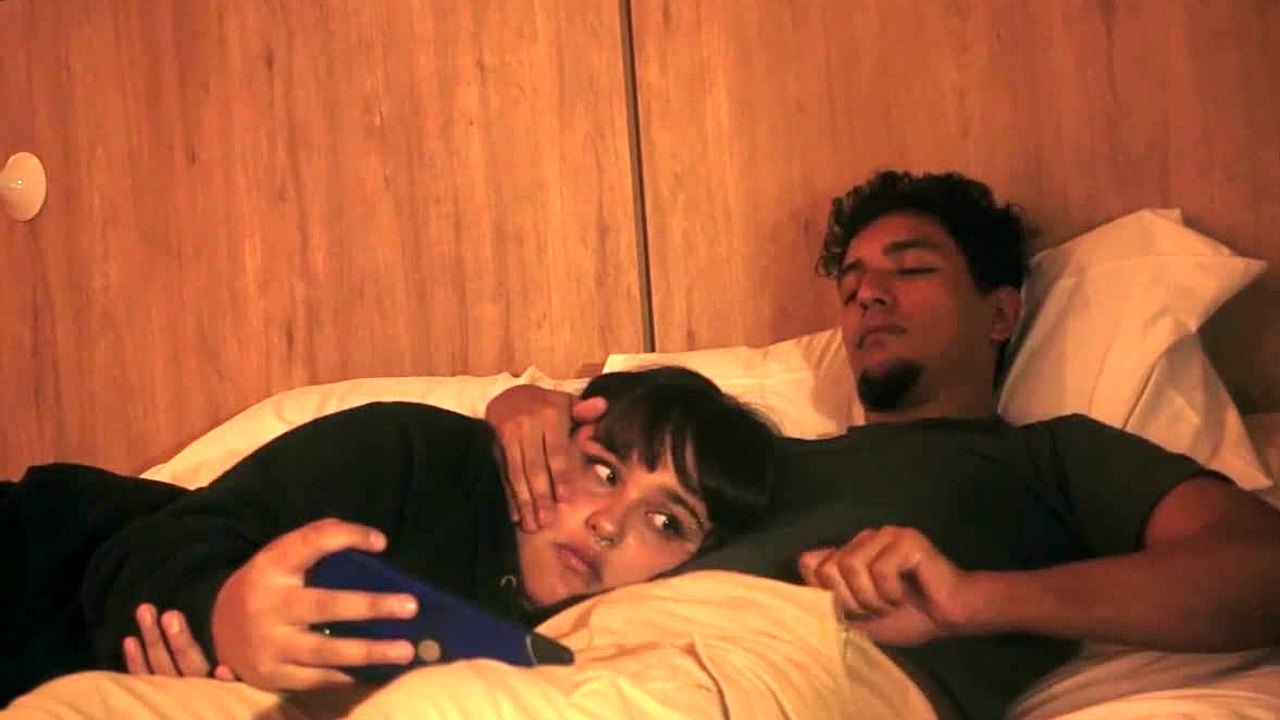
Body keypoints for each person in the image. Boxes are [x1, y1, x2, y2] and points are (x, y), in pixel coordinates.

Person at [484, 170, 1280, 719]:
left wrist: (974, 600)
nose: (869, 293)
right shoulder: (754, 461)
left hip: (793, 670)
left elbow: (1260, 569)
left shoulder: (1049, 459)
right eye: (854, 281)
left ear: (1001, 313)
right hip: (587, 649)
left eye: (911, 269)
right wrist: (517, 410)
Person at [0, 366, 776, 704]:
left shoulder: (610, 655)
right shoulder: (421, 456)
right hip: (38, 557)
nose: (609, 523)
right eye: (603, 471)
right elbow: (159, 546)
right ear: (554, 441)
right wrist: (222, 613)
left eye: (665, 521)